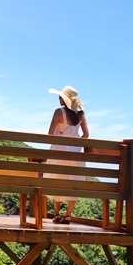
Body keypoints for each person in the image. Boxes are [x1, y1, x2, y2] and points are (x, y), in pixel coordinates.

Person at [43, 85, 90, 224]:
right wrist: (76, 144)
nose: (59, 99)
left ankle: (56, 214)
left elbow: (50, 134)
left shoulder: (59, 112)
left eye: (60, 97)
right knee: (73, 181)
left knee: (56, 179)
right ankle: (68, 215)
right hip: (75, 153)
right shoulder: (81, 114)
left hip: (59, 150)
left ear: (65, 100)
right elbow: (86, 135)